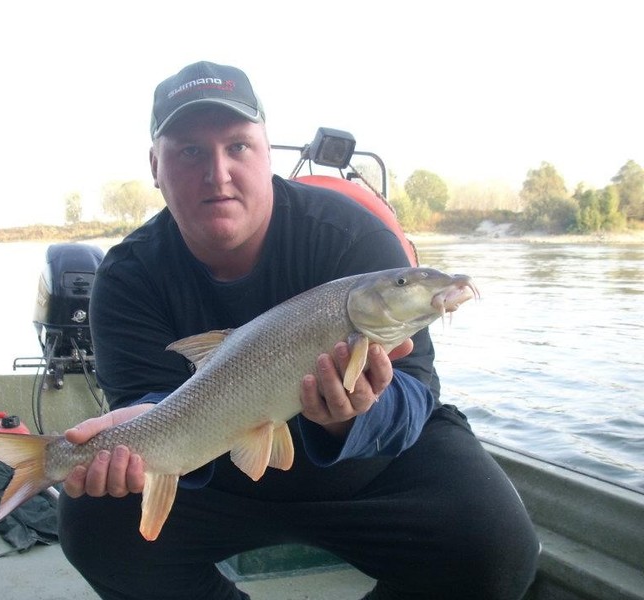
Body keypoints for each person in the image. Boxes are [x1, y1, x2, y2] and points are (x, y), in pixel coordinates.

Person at [58, 61, 540, 600]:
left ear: (267, 154)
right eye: (190, 151)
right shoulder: (128, 275)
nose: (218, 173)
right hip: (217, 472)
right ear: (155, 164)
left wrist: (357, 414)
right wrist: (141, 428)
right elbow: (145, 397)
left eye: (238, 146)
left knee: (496, 546)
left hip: (368, 472)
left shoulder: (352, 237)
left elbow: (417, 390)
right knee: (91, 523)